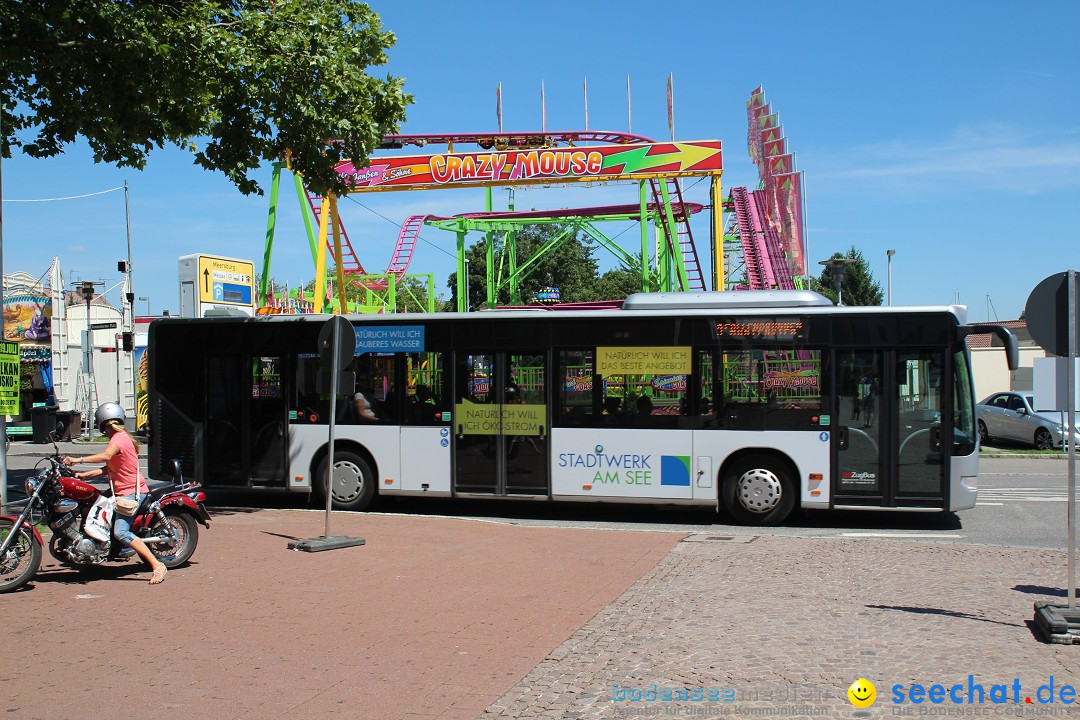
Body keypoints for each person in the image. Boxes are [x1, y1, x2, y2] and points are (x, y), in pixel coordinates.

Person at [63, 402, 167, 585]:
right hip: (119, 491)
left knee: (121, 532)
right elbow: (108, 468)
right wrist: (82, 475)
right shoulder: (121, 438)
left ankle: (157, 565)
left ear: (103, 423)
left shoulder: (118, 439)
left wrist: (76, 459)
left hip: (131, 493)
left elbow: (105, 457)